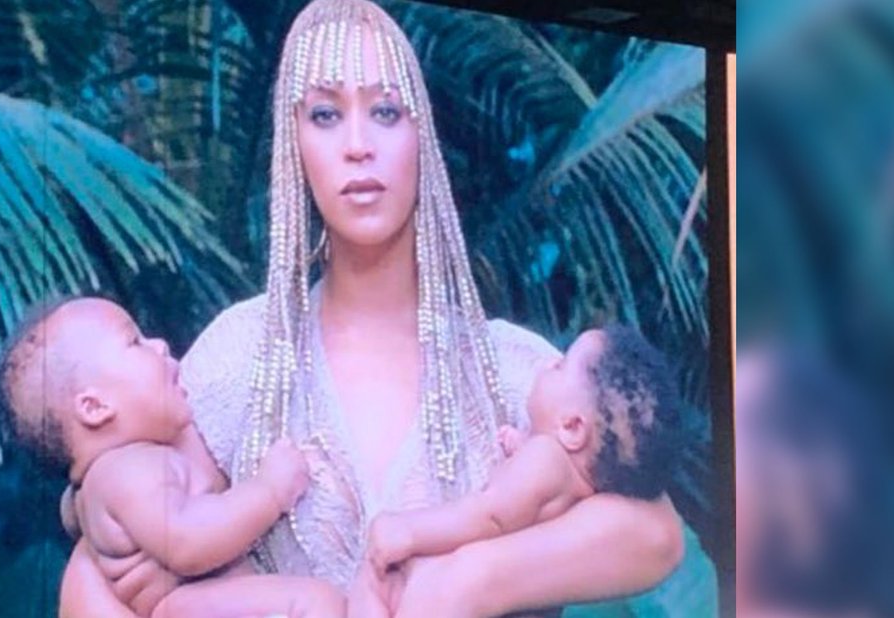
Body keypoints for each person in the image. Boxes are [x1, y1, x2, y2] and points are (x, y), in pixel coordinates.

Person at [61, 0, 685, 614]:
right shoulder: (239, 359)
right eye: (326, 115)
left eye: (386, 111)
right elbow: (99, 548)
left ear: (423, 137)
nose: (358, 145)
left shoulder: (515, 369)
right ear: (294, 143)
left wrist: (471, 580)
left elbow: (657, 535)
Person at [1, 297, 344, 617]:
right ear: (95, 407)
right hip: (184, 605)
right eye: (134, 342)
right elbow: (186, 542)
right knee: (316, 603)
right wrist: (270, 490)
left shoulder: (95, 490)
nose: (160, 345)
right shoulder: (127, 472)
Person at [352, 327, 680, 616]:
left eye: (560, 365)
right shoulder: (571, 481)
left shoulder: (544, 458)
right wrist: (523, 446)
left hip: (431, 595)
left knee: (373, 578)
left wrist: (409, 530)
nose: (548, 363)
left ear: (571, 427)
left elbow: (490, 516)